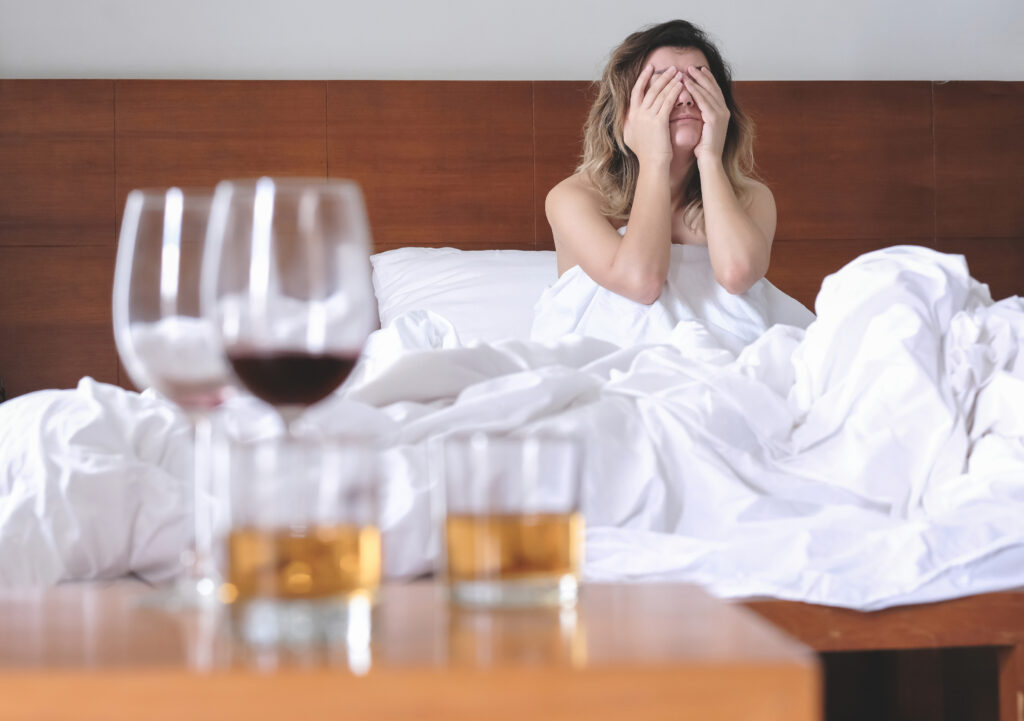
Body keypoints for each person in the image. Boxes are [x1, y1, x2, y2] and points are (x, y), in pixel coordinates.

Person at [546, 20, 773, 304]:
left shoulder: (753, 198)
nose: (685, 99)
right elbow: (641, 284)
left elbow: (738, 275)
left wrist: (711, 159)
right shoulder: (573, 198)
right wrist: (655, 160)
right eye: (664, 85)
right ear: (625, 109)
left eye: (698, 83)